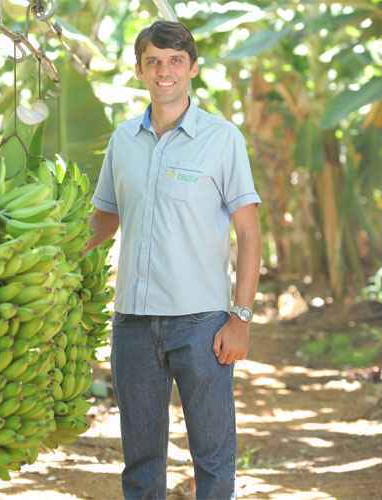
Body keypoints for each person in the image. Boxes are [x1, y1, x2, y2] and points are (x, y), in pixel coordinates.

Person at [85, 20, 262, 500]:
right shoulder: (122, 141)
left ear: (192, 69)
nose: (164, 71)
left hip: (201, 323)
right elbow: (105, 219)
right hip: (133, 325)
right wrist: (54, 250)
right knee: (140, 462)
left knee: (212, 455)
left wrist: (240, 317)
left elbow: (248, 233)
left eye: (175, 61)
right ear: (140, 70)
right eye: (153, 62)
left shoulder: (222, 139)